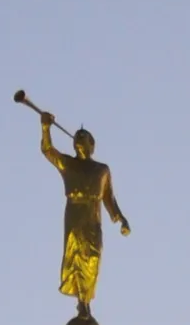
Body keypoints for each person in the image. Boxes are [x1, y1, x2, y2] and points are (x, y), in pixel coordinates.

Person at [40, 117, 130, 307]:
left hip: (92, 214)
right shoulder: (68, 164)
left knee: (93, 255)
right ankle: (82, 301)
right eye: (77, 137)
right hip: (74, 211)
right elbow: (48, 151)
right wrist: (46, 128)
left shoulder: (101, 170)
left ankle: (87, 296)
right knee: (75, 255)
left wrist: (120, 218)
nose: (79, 139)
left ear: (92, 144)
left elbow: (109, 197)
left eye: (84, 136)